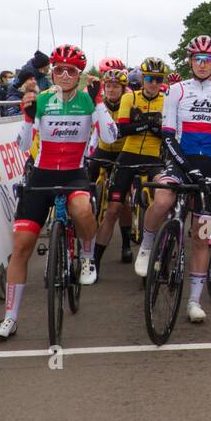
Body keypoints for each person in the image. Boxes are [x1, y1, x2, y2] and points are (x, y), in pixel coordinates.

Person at [0, 44, 116, 340]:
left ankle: (86, 255)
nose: (63, 74)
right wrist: (26, 118)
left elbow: (110, 138)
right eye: (58, 69)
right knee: (21, 246)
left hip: (74, 173)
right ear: (52, 71)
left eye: (71, 70)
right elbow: (22, 148)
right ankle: (10, 318)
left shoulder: (88, 101)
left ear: (80, 74)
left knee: (83, 209)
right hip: (42, 173)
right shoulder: (43, 100)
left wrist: (99, 104)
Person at [135, 36, 211, 324]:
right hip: (180, 161)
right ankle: (147, 244)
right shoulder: (177, 91)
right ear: (190, 61)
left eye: (207, 60)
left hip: (210, 166)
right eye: (197, 59)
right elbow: (168, 136)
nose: (202, 65)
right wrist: (186, 167)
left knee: (202, 238)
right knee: (164, 198)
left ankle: (194, 300)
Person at [92, 58, 166, 266]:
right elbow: (122, 130)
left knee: (161, 200)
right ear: (142, 78)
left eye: (158, 79)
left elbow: (167, 134)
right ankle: (95, 260)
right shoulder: (129, 98)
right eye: (149, 78)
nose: (153, 83)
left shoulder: (167, 100)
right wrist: (149, 125)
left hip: (153, 157)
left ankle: (153, 254)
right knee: (114, 208)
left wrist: (142, 123)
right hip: (128, 154)